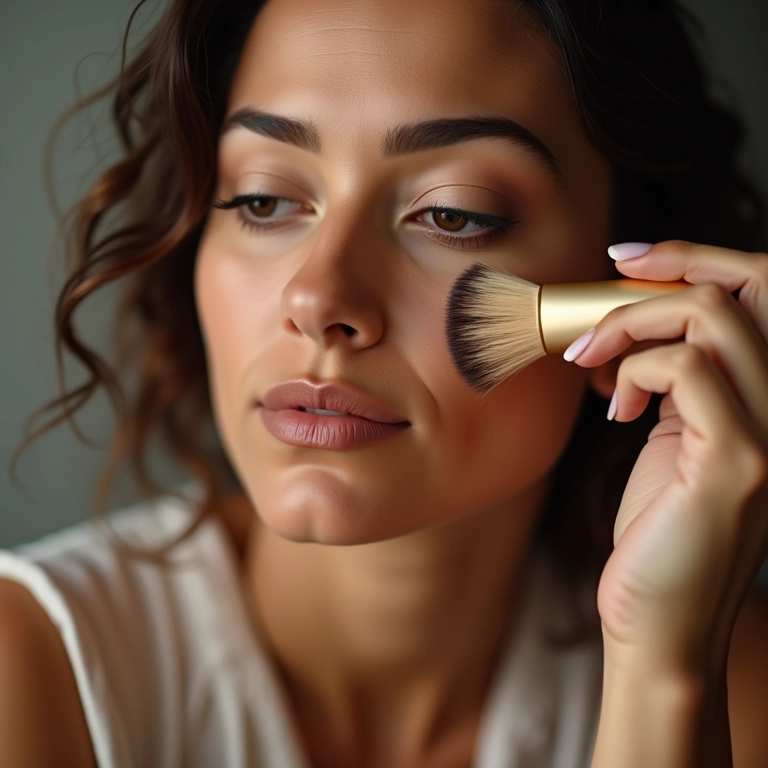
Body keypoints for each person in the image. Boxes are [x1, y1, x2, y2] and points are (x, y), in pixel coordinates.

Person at [2, 0, 768, 765]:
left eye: (454, 215)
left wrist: (662, 673)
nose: (318, 298)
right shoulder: (33, 669)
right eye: (264, 200)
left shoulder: (729, 685)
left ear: (632, 304)